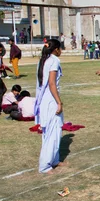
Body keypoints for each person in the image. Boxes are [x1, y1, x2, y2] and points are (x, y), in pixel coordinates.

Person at [34, 39, 64, 173]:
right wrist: (59, 101)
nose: (61, 51)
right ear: (56, 49)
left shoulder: (44, 60)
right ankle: (45, 166)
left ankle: (54, 159)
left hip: (44, 100)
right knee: (52, 132)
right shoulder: (54, 60)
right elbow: (52, 83)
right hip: (51, 100)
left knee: (53, 131)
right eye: (60, 48)